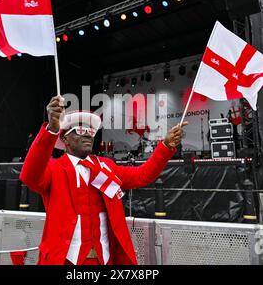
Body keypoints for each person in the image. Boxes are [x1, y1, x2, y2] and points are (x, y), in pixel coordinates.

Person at [20, 95, 188, 265]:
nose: (87, 134)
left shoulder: (105, 166)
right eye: (79, 130)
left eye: (91, 131)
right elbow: (29, 176)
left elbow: (142, 176)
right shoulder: (54, 168)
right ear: (65, 140)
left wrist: (165, 147)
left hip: (105, 260)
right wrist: (51, 130)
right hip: (66, 260)